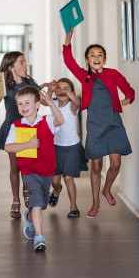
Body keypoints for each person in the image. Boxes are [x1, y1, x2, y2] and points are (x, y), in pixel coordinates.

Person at [62, 26, 135, 219]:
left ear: (104, 59)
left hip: (113, 123)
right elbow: (69, 62)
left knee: (116, 164)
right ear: (87, 60)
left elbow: (128, 88)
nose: (96, 57)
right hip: (94, 125)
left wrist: (128, 97)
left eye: (100, 54)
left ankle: (107, 190)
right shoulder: (84, 76)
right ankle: (95, 203)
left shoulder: (112, 74)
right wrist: (68, 39)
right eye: (92, 55)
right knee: (96, 167)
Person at [0, 52, 56, 219]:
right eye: (22, 62)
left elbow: (45, 101)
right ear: (11, 67)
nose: (26, 65)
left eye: (25, 62)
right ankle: (16, 200)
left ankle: (28, 190)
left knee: (29, 165)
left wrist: (51, 91)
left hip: (31, 129)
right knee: (15, 167)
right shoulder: (3, 84)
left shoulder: (30, 82)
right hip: (13, 129)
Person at [4, 86, 64, 251]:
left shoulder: (47, 121)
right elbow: (8, 147)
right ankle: (39, 236)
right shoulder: (17, 126)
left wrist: (51, 103)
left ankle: (29, 218)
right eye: (20, 104)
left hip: (47, 171)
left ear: (38, 105)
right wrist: (27, 145)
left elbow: (61, 120)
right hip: (29, 171)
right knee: (36, 200)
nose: (23, 107)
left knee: (40, 203)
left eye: (27, 103)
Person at [45, 78, 88, 217]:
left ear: (72, 92)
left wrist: (67, 93)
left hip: (72, 147)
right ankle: (56, 191)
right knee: (54, 181)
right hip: (56, 146)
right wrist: (49, 88)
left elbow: (77, 101)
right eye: (60, 88)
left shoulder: (72, 105)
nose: (62, 91)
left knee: (68, 178)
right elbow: (44, 100)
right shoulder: (54, 103)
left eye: (66, 88)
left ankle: (74, 207)